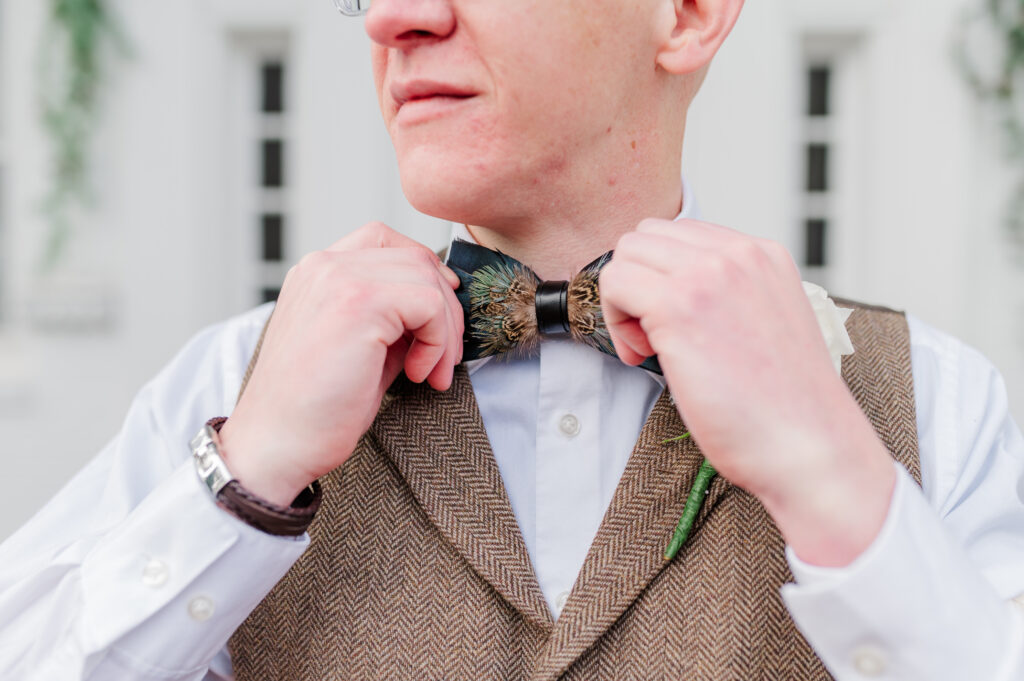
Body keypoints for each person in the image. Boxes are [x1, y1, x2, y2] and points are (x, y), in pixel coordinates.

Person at [2, 0, 1024, 678]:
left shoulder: (931, 401)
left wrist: (838, 489)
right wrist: (243, 484)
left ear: (687, 13)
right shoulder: (231, 389)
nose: (395, 18)